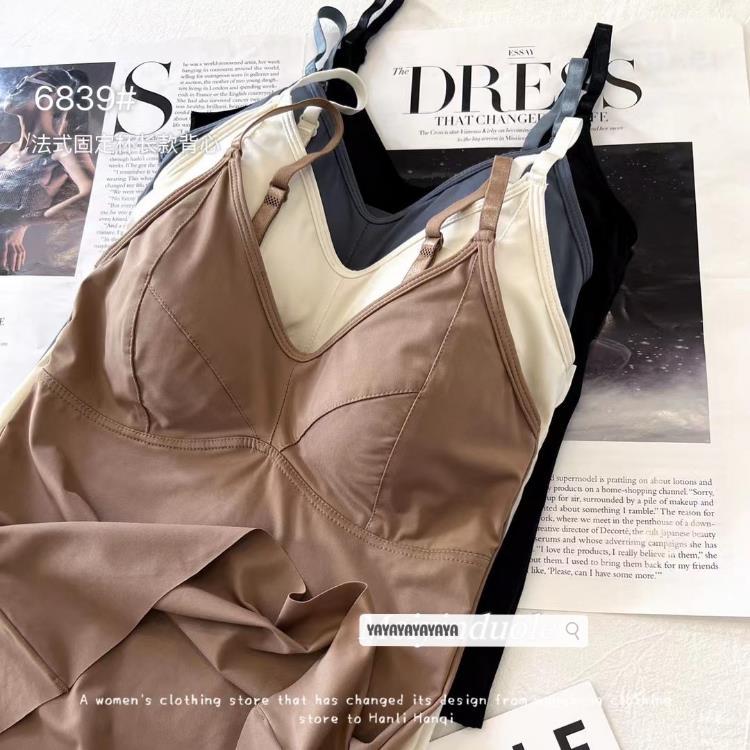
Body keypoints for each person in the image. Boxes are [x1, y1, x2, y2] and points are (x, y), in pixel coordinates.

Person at [0, 67, 94, 273]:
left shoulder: (64, 148)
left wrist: (20, 223)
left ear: (48, 96)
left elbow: (94, 197)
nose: (15, 87)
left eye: (27, 83)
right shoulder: (3, 148)